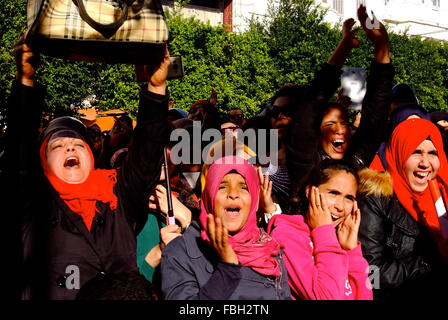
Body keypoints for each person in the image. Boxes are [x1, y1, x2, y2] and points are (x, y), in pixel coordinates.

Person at [5, 35, 171, 300]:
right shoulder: (33, 202)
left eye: (78, 144)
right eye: (57, 146)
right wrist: (25, 80)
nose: (70, 148)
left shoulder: (118, 195)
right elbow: (19, 151)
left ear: (92, 157)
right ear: (42, 162)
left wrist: (156, 87)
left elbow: (147, 156)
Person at [285, 5, 393, 214]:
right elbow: (311, 106)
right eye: (330, 124)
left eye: (344, 123)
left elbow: (375, 118)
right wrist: (344, 46)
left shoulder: (354, 162)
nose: (340, 130)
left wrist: (382, 47)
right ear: (314, 133)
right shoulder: (305, 165)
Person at [160, 156, 291, 300]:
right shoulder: (181, 251)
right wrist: (228, 269)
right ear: (209, 195)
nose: (233, 194)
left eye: (243, 187)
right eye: (222, 186)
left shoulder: (269, 248)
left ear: (254, 198)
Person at [359, 118, 448, 300]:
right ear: (399, 151)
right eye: (416, 152)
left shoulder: (442, 195)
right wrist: (427, 263)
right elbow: (370, 276)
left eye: (433, 153)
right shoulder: (375, 199)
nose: (425, 163)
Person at [268, 160, 372, 300]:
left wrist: (352, 252)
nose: (340, 206)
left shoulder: (340, 239)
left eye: (349, 198)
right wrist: (324, 232)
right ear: (310, 191)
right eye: (333, 193)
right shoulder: (287, 234)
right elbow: (325, 297)